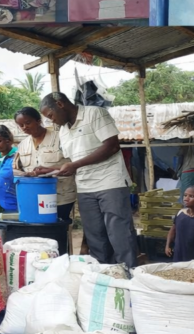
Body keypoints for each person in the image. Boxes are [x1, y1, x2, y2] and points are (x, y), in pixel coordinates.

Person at [41, 92, 137, 268]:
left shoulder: (95, 114)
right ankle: (103, 275)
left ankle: (129, 273)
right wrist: (51, 170)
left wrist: (75, 165)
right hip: (85, 187)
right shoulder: (63, 131)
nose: (51, 121)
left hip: (110, 183)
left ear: (60, 104)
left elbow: (112, 146)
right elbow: (73, 162)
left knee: (119, 232)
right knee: (95, 235)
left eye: (51, 115)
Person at [12, 107, 78, 221]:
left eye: (28, 123)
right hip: (34, 196)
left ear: (38, 121)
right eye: (21, 125)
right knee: (40, 229)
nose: (24, 127)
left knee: (59, 228)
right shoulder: (23, 145)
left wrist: (51, 170)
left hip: (61, 196)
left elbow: (77, 164)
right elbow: (15, 169)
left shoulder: (61, 138)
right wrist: (26, 174)